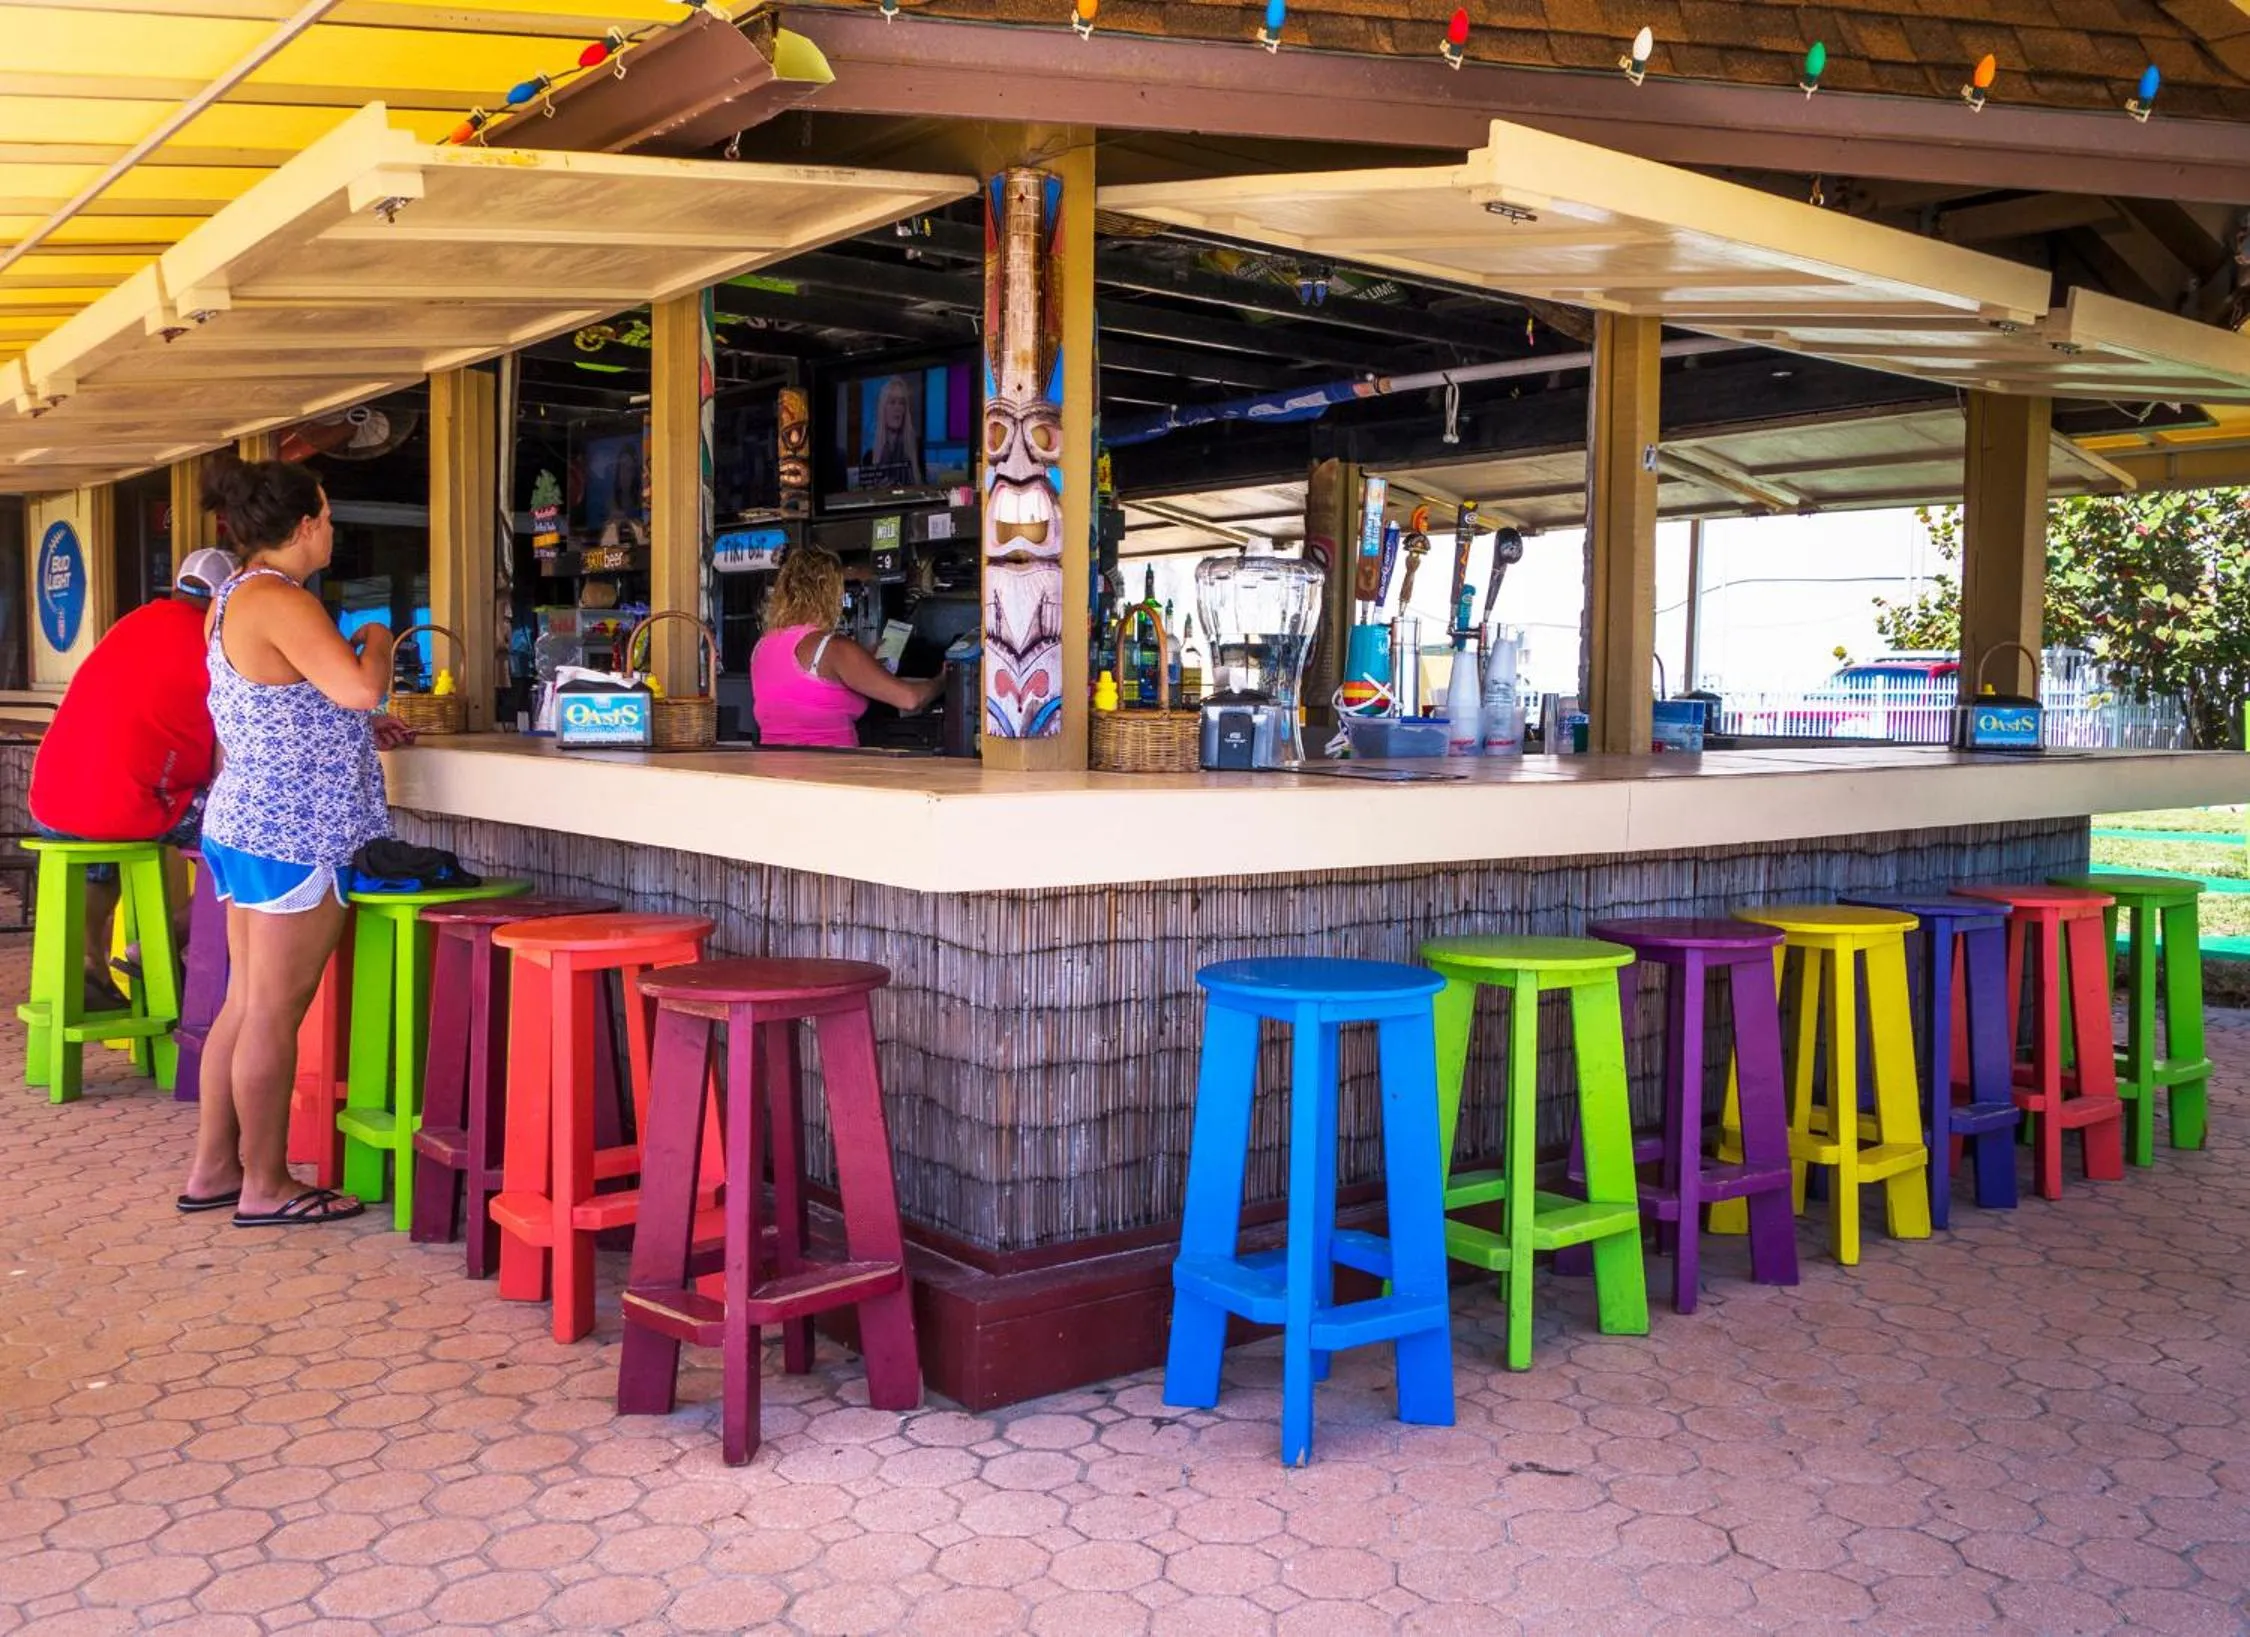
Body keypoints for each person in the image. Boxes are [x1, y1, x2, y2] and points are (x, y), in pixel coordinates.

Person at [178, 455, 396, 1228]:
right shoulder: (281, 597)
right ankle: (266, 1183)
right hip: (295, 829)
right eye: (329, 517)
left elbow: (293, 700)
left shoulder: (231, 596)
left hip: (246, 820)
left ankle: (214, 1167)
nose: (334, 529)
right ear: (304, 527)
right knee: (274, 1009)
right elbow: (361, 687)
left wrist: (351, 716)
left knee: (245, 1001)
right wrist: (378, 638)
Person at [29, 546, 242, 1016]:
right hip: (119, 806)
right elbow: (229, 753)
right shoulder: (217, 643)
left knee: (98, 849)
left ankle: (88, 968)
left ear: (177, 588)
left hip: (51, 799)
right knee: (248, 835)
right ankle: (162, 944)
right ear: (226, 599)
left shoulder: (132, 624)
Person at [750, 546, 943, 749]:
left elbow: (801, 691)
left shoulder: (762, 647)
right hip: (829, 772)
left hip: (771, 770)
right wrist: (944, 680)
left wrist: (864, 659)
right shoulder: (833, 648)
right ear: (831, 593)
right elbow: (909, 699)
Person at [861, 375, 922, 486]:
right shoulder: (869, 458)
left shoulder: (917, 449)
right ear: (883, 409)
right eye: (892, 402)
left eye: (902, 403)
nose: (897, 408)